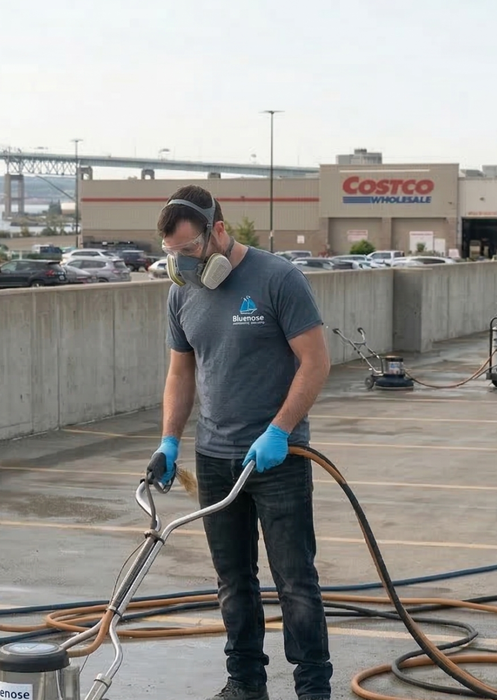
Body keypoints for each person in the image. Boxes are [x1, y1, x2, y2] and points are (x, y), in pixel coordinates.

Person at [151, 185, 333, 700]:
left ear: (219, 232)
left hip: (279, 459)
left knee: (295, 581)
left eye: (190, 251)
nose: (183, 264)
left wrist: (280, 429)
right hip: (214, 458)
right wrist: (169, 441)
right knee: (233, 580)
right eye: (173, 254)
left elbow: (315, 361)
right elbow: (180, 372)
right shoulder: (180, 293)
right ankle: (246, 683)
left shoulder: (279, 279)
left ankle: (312, 688)